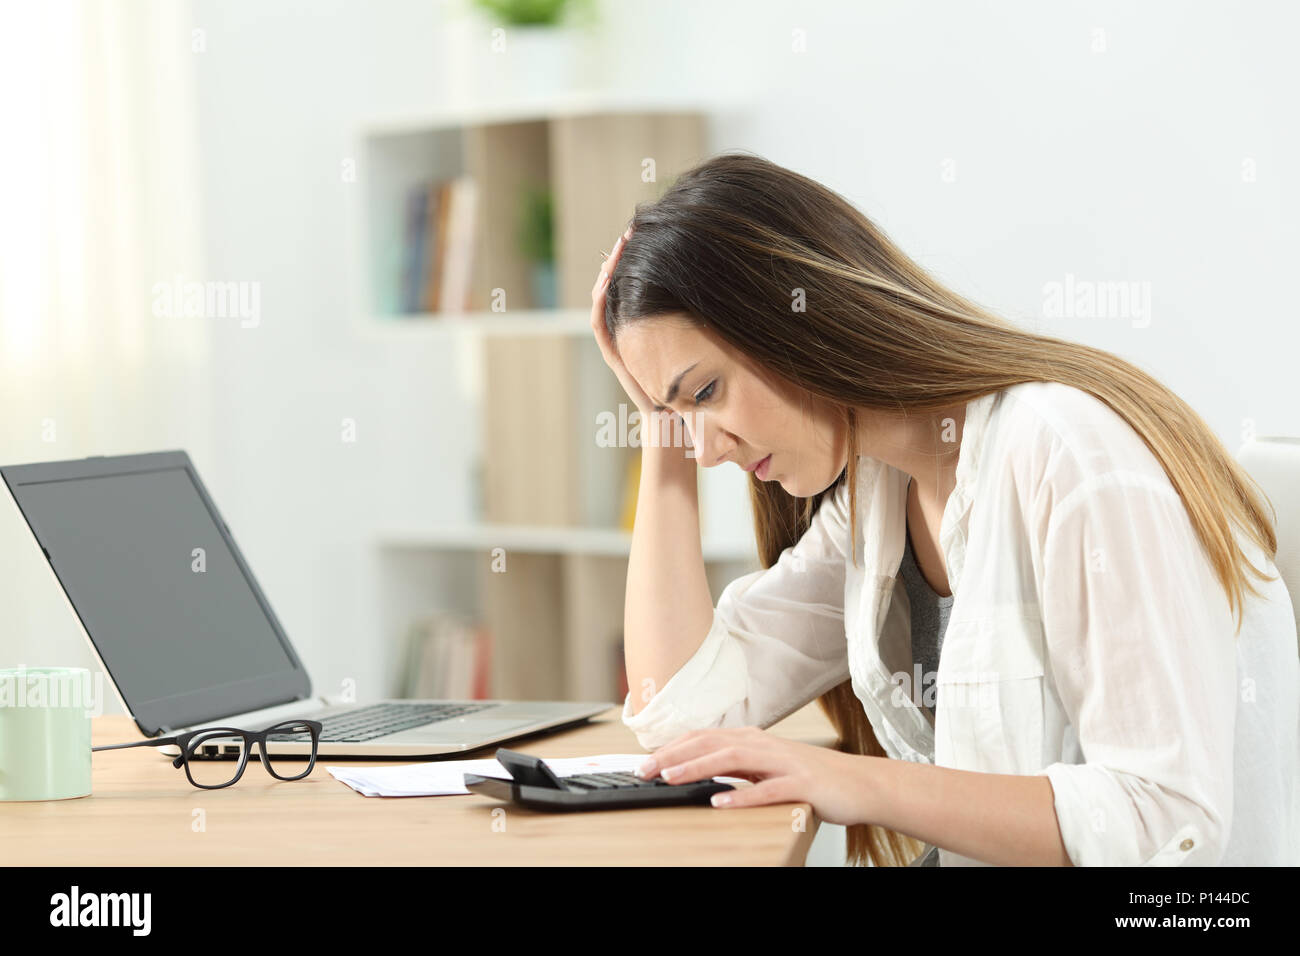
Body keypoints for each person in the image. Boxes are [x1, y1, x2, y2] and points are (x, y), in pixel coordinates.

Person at [589, 151, 1298, 867]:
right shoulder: (877, 495)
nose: (705, 451)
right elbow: (682, 712)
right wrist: (660, 422)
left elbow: (1166, 819)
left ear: (795, 318)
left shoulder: (1067, 455)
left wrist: (858, 783)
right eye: (680, 414)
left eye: (706, 393)